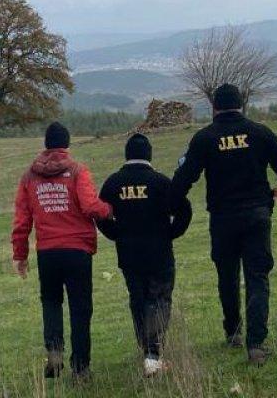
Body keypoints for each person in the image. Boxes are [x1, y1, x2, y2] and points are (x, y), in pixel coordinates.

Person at [171, 83, 277, 365]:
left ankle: (233, 331)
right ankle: (256, 344)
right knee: (257, 277)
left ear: (214, 107)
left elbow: (185, 177)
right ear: (241, 105)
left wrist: (168, 205)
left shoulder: (205, 138)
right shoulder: (260, 132)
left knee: (227, 276)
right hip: (256, 214)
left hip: (223, 218)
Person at [11, 121, 113, 379]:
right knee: (80, 308)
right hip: (77, 250)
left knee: (51, 302)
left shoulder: (29, 177)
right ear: (67, 144)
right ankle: (80, 367)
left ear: (46, 145)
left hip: (47, 252)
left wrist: (20, 254)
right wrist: (109, 210)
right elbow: (90, 207)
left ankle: (54, 353)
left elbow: (22, 220)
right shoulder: (78, 171)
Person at [97, 133, 192, 377]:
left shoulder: (113, 184)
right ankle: (153, 353)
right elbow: (184, 209)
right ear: (149, 155)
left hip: (129, 254)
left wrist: (116, 234)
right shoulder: (160, 182)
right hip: (159, 251)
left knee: (138, 298)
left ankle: (147, 348)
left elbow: (100, 214)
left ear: (126, 155)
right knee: (159, 298)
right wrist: (171, 233)